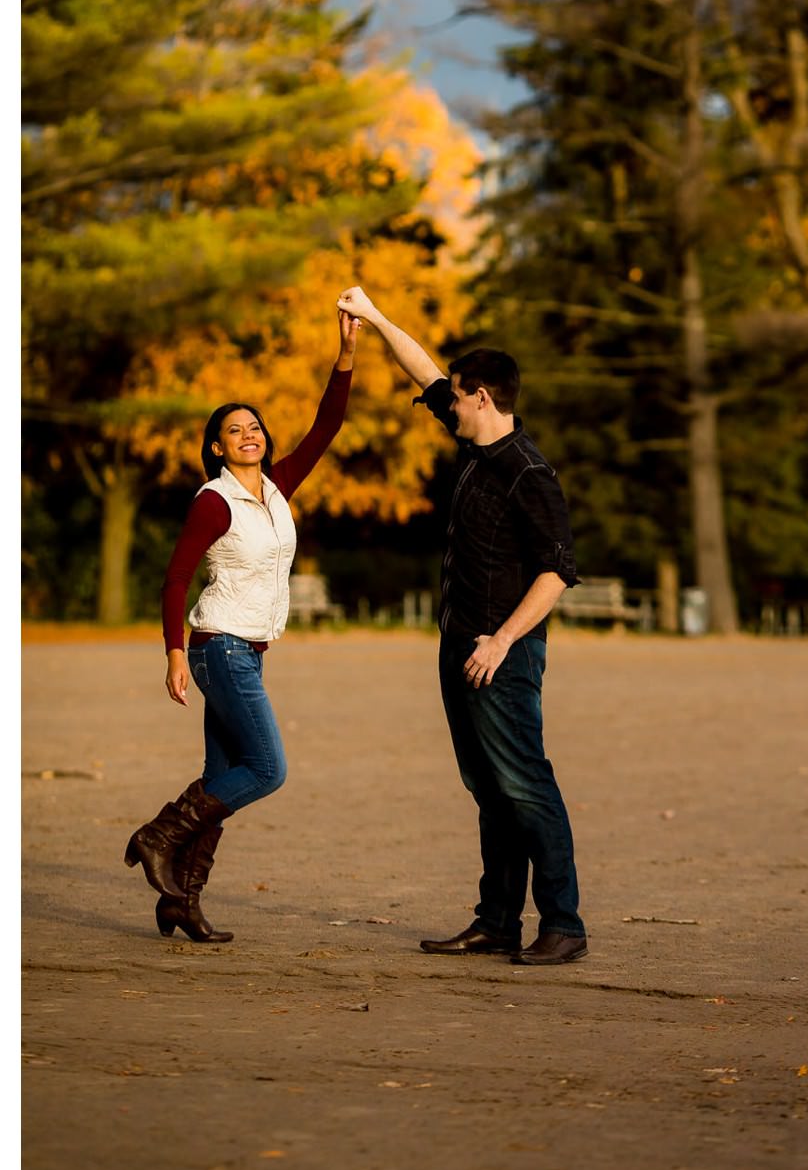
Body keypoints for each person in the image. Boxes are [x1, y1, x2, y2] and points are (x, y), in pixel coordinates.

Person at [336, 283, 588, 966]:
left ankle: (563, 923)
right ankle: (496, 921)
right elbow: (423, 371)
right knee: (488, 787)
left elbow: (556, 570)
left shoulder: (528, 473)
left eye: (458, 391)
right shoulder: (475, 447)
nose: (447, 398)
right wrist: (376, 316)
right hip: (459, 645)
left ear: (483, 396)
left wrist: (503, 641)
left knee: (524, 781)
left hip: (503, 655)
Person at [124, 305, 360, 942]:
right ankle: (158, 835)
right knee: (266, 769)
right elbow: (175, 578)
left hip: (247, 651)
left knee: (224, 776)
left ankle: (181, 899)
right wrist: (175, 654)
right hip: (217, 648)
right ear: (217, 447)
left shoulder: (278, 488)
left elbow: (328, 425)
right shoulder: (213, 501)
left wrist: (344, 356)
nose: (249, 433)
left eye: (255, 426)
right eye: (235, 429)